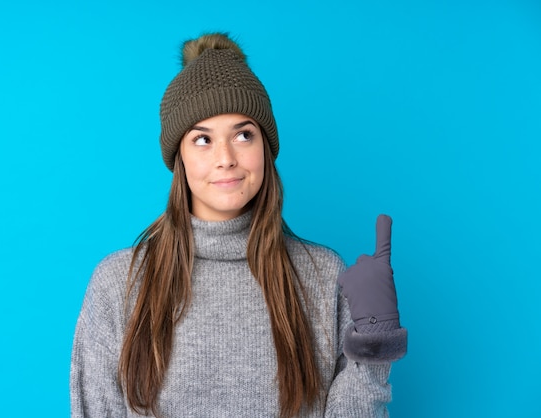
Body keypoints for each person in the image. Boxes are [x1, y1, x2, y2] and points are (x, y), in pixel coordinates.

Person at [70, 33, 407, 417]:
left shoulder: (322, 274)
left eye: (243, 135)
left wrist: (376, 346)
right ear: (178, 156)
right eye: (202, 140)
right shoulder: (120, 283)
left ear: (264, 146)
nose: (226, 158)